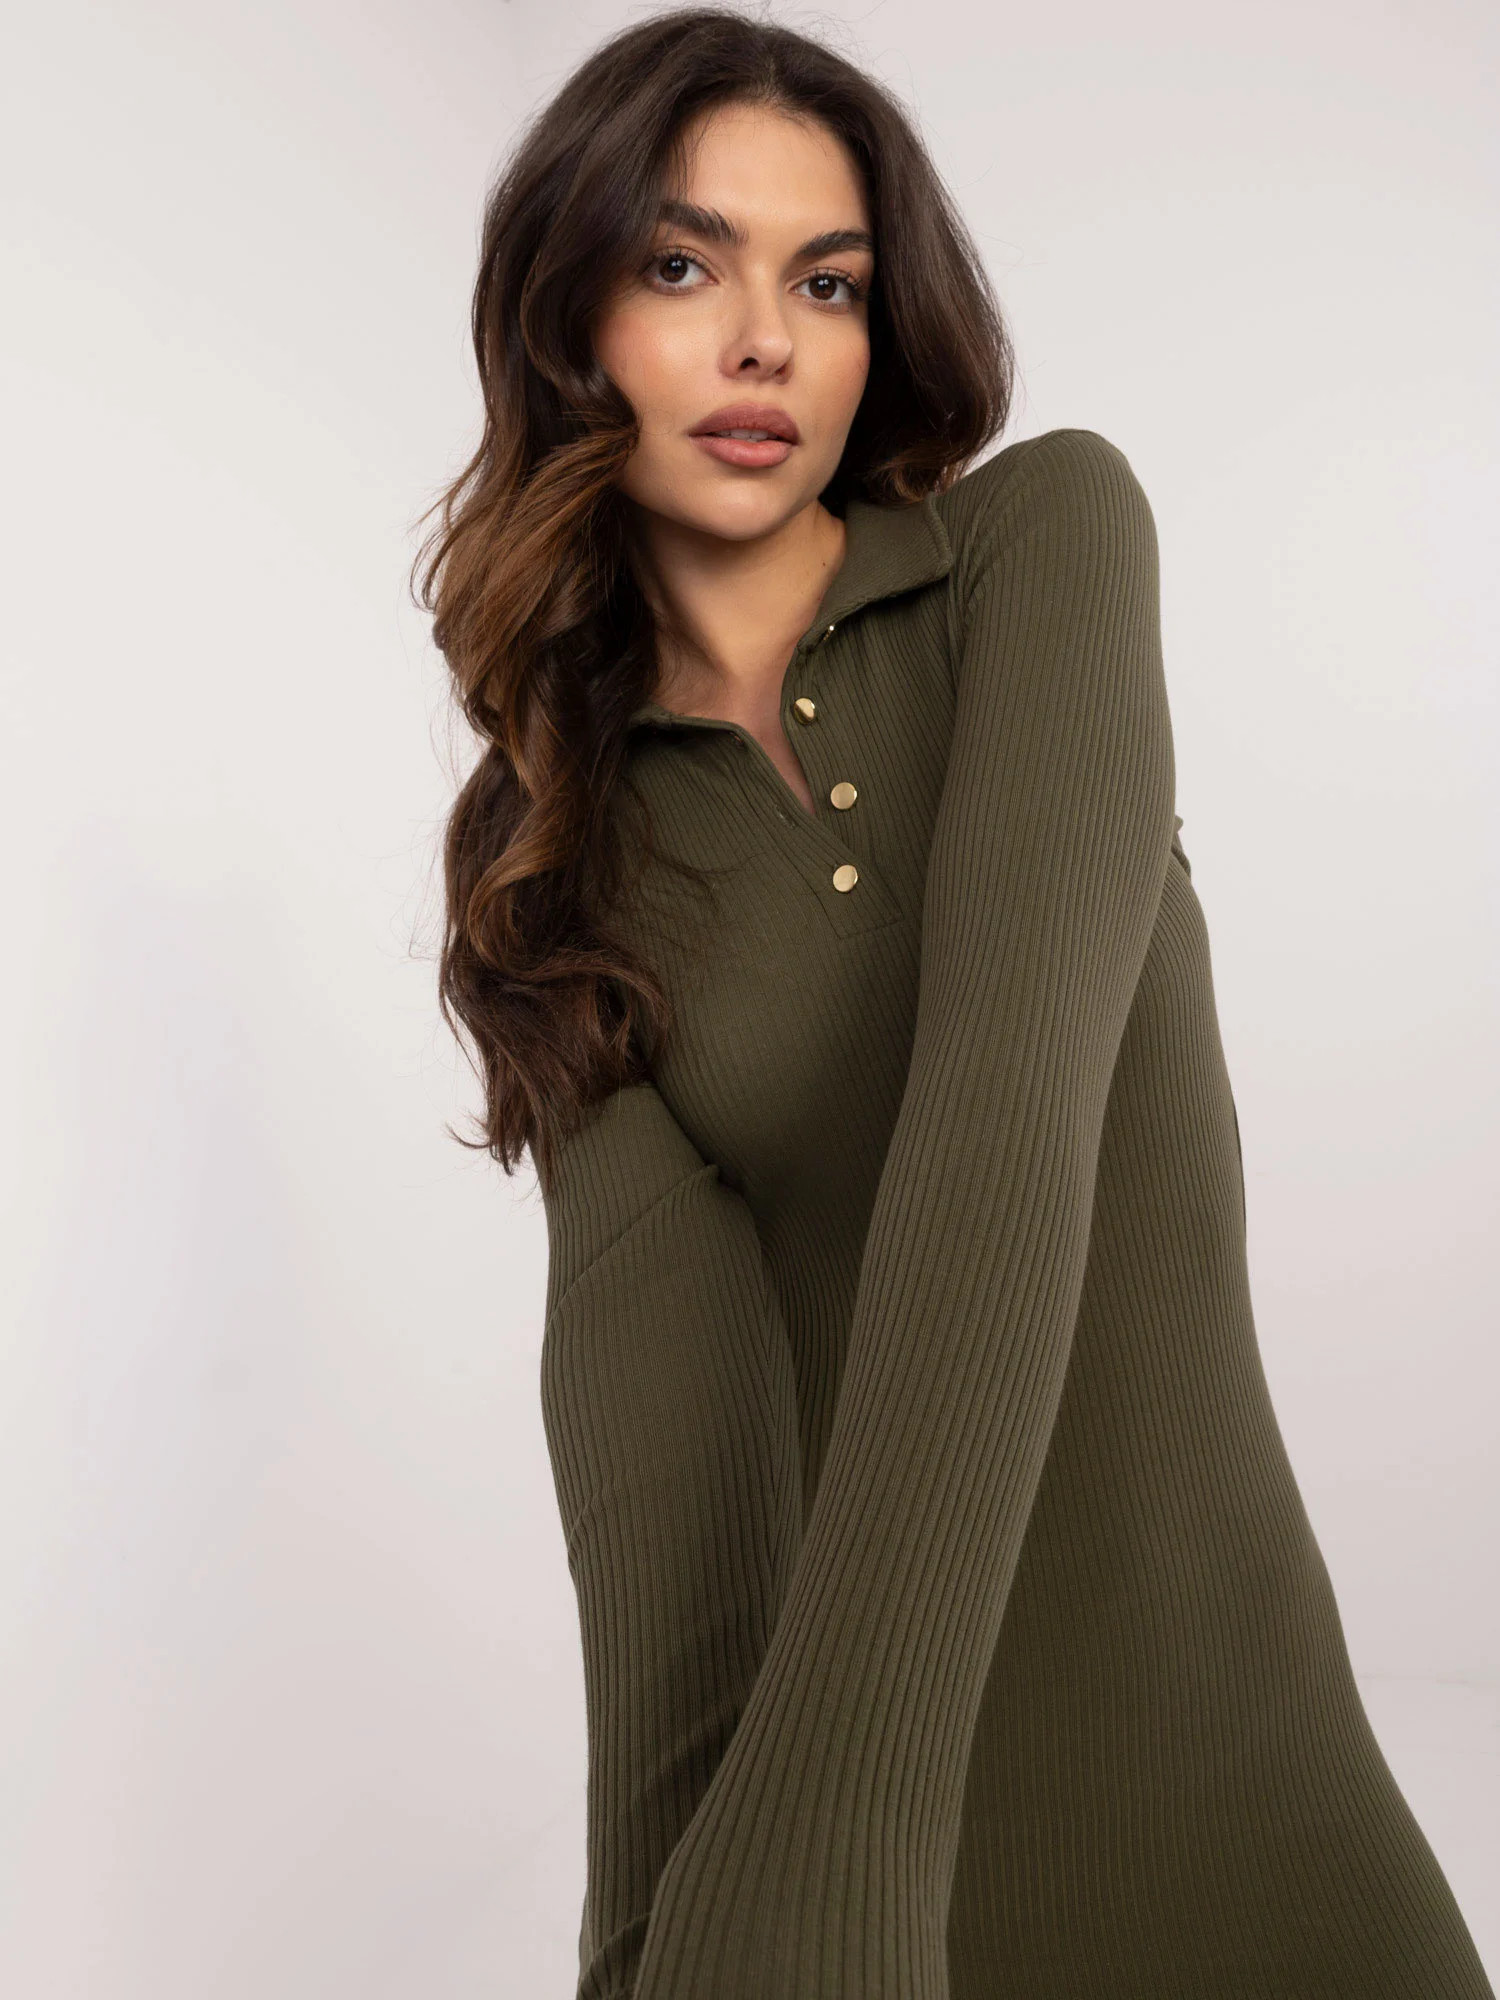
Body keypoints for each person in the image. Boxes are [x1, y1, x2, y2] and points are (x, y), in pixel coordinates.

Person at [416, 10, 1496, 1998]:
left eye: (826, 283)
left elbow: (1005, 1129)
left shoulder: (1040, 549)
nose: (765, 341)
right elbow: (659, 1495)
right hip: (870, 1907)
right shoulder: (560, 876)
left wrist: (835, 1827)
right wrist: (659, 1948)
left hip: (1237, 1801)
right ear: (570, 323)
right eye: (685, 266)